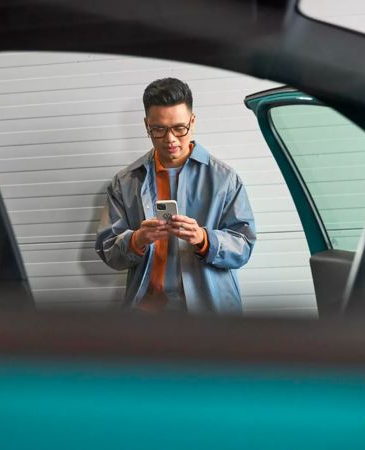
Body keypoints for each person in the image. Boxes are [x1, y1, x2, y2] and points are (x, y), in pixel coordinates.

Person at [95, 78, 256, 314]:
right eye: (158, 129)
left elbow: (244, 246)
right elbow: (108, 250)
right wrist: (137, 239)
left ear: (192, 122)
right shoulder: (125, 182)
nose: (170, 139)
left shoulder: (225, 179)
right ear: (146, 125)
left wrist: (204, 239)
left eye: (179, 128)